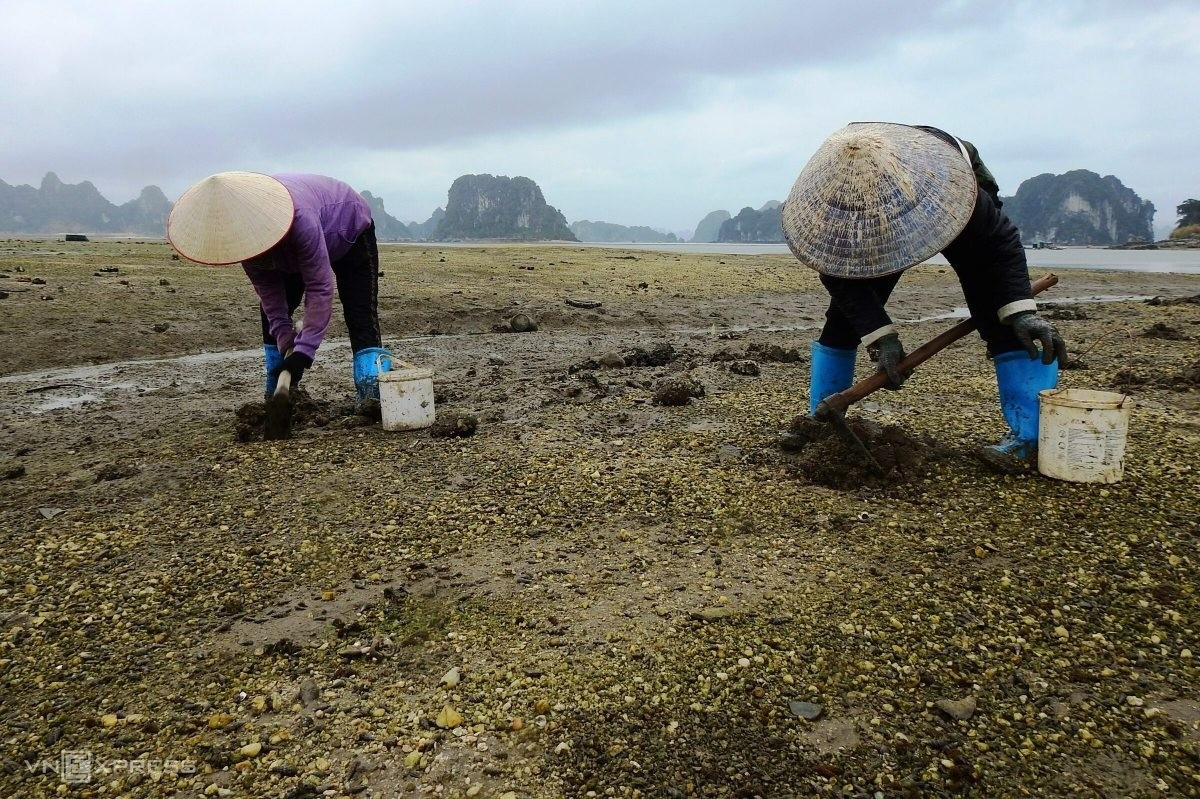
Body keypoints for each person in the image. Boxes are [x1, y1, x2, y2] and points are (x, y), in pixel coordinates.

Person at [781, 122, 1066, 464]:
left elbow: (999, 247)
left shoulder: (956, 191)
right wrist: (880, 336)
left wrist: (1022, 311)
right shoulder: (830, 209)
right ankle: (822, 419)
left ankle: (1028, 436)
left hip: (941, 187)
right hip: (862, 220)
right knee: (844, 320)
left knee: (999, 314)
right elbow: (837, 275)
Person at [167, 172, 393, 406]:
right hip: (289, 251)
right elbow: (271, 298)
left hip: (348, 229)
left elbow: (320, 288)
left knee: (360, 313)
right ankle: (277, 393)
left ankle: (371, 394)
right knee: (270, 316)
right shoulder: (241, 241)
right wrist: (286, 341)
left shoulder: (300, 220)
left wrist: (304, 352)